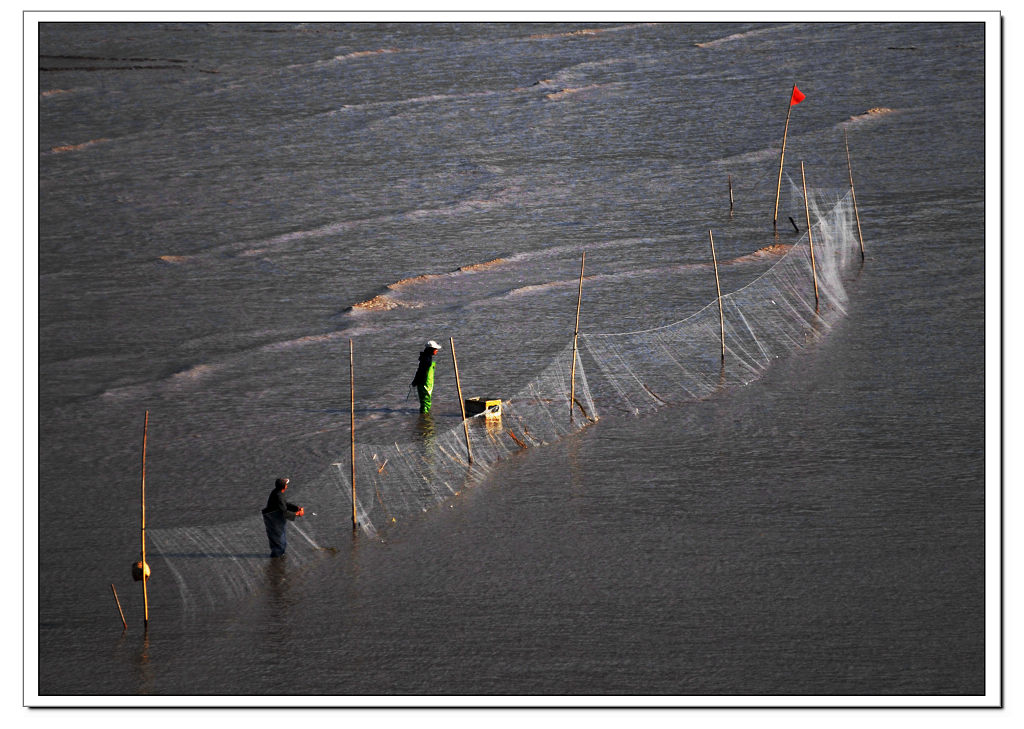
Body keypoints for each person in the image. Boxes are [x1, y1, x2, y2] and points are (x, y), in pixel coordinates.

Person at [261, 477, 304, 558]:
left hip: (274, 517)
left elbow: (284, 504)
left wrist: (296, 508)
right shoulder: (279, 496)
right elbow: (284, 512)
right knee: (278, 539)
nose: (287, 485)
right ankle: (276, 558)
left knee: (278, 537)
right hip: (273, 518)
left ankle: (279, 555)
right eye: (286, 484)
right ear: (284, 487)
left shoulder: (277, 491)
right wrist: (297, 514)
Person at [410, 340, 442, 414]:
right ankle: (424, 418)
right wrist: (416, 381)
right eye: (435, 349)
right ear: (431, 350)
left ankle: (425, 416)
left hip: (426, 383)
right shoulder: (426, 360)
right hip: (424, 383)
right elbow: (421, 372)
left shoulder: (426, 357)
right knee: (425, 401)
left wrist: (415, 381)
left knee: (426, 400)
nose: (437, 350)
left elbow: (419, 371)